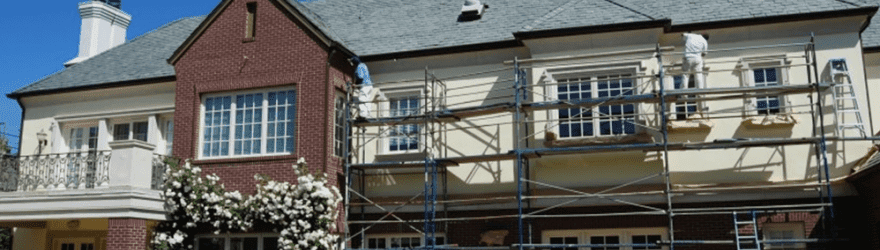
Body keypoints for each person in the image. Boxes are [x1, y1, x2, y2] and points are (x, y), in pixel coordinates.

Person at [681, 32, 709, 111]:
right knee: (698, 75)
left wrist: (687, 33)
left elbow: (682, 34)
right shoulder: (704, 41)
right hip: (697, 59)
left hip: (688, 57)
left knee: (685, 75)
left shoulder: (691, 35)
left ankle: (684, 94)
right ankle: (700, 92)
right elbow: (704, 53)